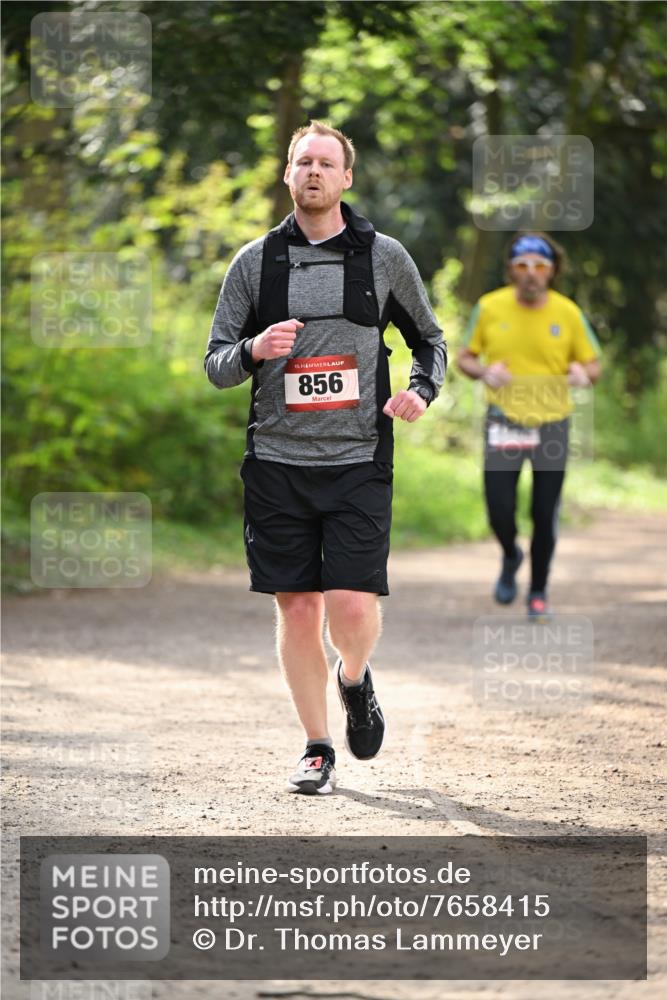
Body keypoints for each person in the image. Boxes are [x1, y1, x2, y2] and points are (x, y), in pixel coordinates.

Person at [204, 121, 446, 795]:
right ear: (287, 174)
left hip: (358, 458)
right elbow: (216, 363)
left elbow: (430, 340)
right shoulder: (255, 263)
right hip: (276, 461)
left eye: (325, 163)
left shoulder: (383, 257)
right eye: (302, 161)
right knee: (299, 610)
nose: (313, 171)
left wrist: (421, 390)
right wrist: (253, 350)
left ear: (346, 178)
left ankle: (354, 678)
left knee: (350, 607)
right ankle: (316, 747)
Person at [457, 232, 601, 620]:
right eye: (523, 266)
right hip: (504, 420)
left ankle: (538, 592)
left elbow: (594, 365)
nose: (531, 273)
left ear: (552, 270)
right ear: (511, 270)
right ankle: (510, 553)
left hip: (552, 423)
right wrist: (484, 372)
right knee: (499, 508)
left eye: (540, 265)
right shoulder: (489, 307)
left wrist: (582, 373)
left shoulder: (568, 312)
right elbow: (465, 357)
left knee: (544, 511)